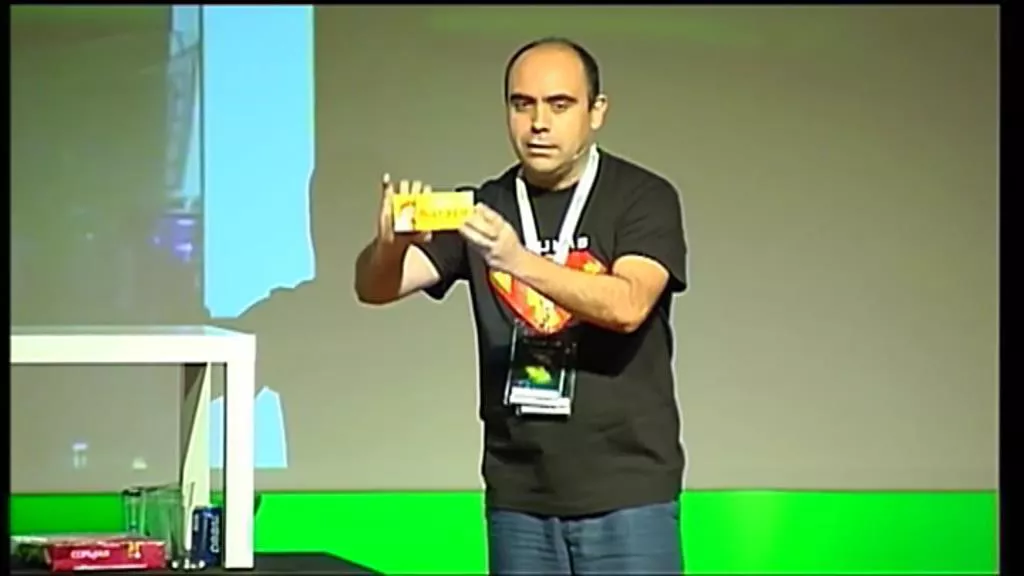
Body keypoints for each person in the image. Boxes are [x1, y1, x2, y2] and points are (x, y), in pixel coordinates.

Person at [354, 37, 689, 574]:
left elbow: (628, 304)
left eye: (560, 105)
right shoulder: (482, 207)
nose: (538, 123)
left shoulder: (641, 197)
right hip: (519, 495)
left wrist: (516, 259)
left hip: (628, 492)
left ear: (596, 112)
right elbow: (375, 287)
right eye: (522, 104)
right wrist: (391, 244)